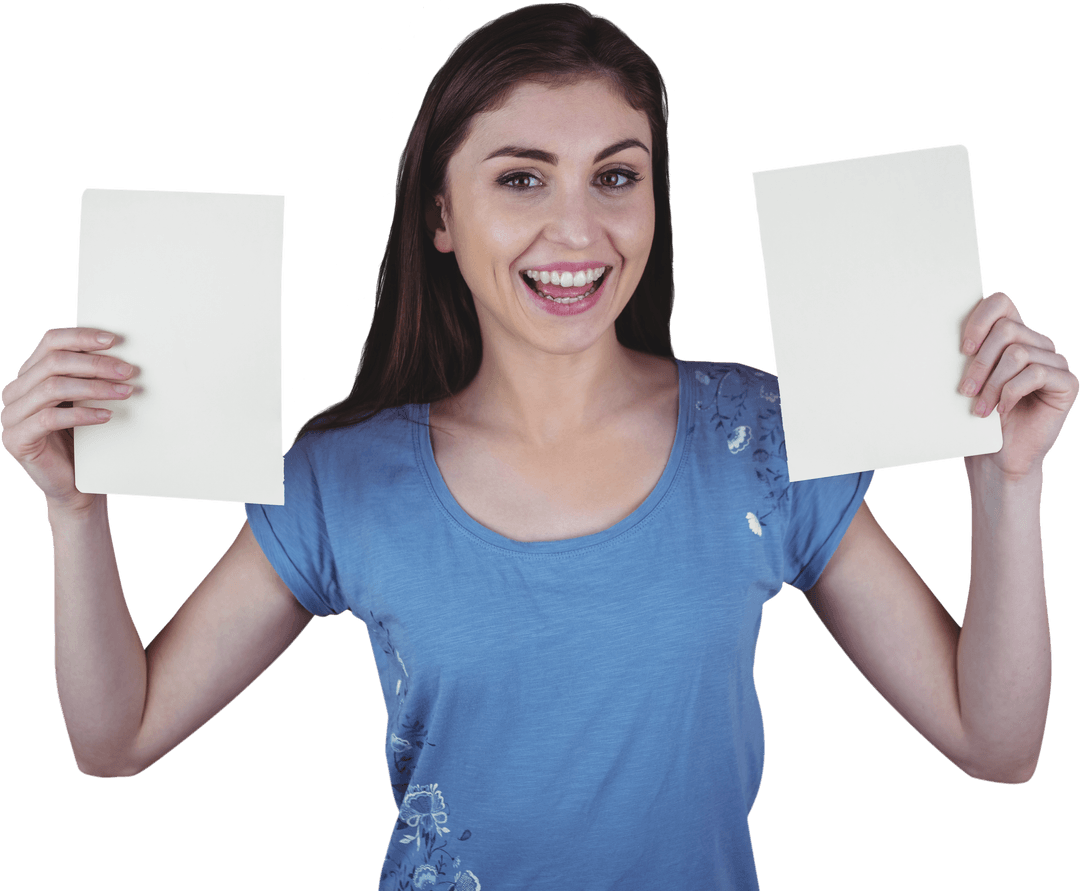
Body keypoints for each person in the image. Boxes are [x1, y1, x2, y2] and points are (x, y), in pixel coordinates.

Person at [1, 3, 1075, 888]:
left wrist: (1008, 484)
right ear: (440, 215)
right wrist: (74, 507)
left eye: (616, 176)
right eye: (521, 178)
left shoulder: (758, 438)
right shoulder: (344, 480)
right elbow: (116, 739)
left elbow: (998, 744)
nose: (578, 231)